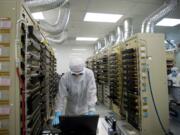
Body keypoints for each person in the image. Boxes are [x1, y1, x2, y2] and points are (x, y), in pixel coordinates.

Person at [52, 57, 97, 125]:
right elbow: (61, 96)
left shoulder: (89, 74)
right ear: (70, 70)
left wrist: (91, 109)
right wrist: (58, 112)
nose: (77, 75)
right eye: (74, 74)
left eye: (80, 73)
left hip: (84, 110)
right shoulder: (65, 77)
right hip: (70, 110)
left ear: (83, 69)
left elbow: (91, 92)